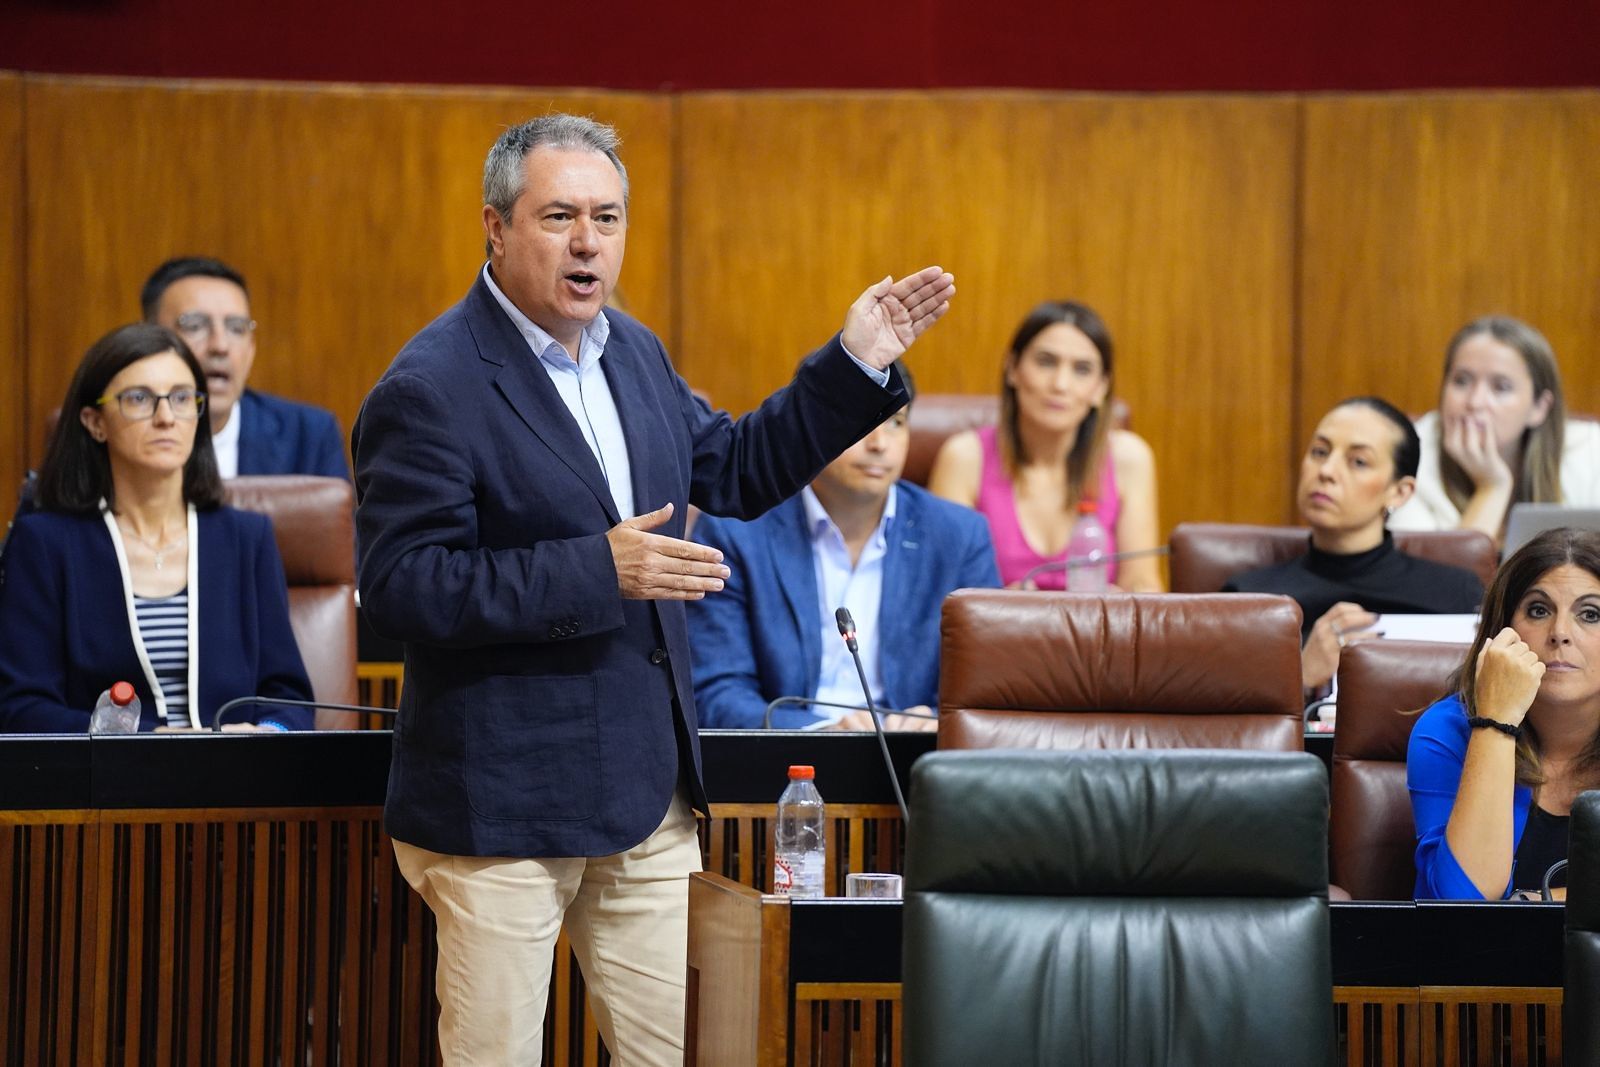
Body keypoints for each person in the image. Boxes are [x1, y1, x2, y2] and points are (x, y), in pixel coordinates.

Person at [351, 113, 953, 1065]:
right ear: (496, 228)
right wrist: (601, 568)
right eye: (559, 216)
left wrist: (856, 364)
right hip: (500, 813)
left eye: (609, 216)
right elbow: (401, 587)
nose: (589, 241)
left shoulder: (630, 352)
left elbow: (740, 468)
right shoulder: (429, 386)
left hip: (644, 802)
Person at [0, 323, 314, 732]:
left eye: (182, 398)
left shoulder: (245, 538)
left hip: (236, 785)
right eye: (139, 399)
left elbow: (288, 697)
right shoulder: (46, 544)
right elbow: (21, 708)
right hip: (106, 788)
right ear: (95, 422)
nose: (166, 417)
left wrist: (266, 734)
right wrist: (142, 742)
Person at [688, 363, 1000, 731]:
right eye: (862, 422)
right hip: (785, 764)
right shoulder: (736, 531)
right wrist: (824, 733)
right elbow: (715, 694)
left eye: (896, 423)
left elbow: (985, 691)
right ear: (813, 427)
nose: (879, 443)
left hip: (917, 763)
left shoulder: (960, 536)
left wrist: (934, 723)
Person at [1225, 397, 1485, 690]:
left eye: (1358, 462)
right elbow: (1228, 724)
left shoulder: (1456, 594)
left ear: (1399, 492)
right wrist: (1301, 677)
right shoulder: (1250, 598)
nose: (1326, 471)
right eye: (1320, 452)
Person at [1409, 527, 1600, 900]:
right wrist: (1495, 722)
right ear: (1503, 630)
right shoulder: (1447, 731)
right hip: (1482, 957)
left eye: (1590, 614)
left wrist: (1536, 901)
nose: (1560, 632)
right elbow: (1465, 902)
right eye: (1539, 610)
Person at [926, 300, 1162, 591]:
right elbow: (944, 588)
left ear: (1101, 387)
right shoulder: (965, 457)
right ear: (1013, 369)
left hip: (1099, 634)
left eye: (1082, 369)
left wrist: (1120, 605)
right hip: (996, 634)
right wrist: (999, 603)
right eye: (1046, 362)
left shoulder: (1129, 458)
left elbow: (1143, 583)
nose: (1061, 384)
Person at [1388, 315, 1600, 540]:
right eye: (1461, 381)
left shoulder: (1589, 452)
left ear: (1538, 407)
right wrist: (1492, 486)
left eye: (1501, 387)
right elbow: (1438, 576)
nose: (1475, 402)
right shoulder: (1410, 452)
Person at [142, 256, 350, 480]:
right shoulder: (117, 435)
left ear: (251, 348)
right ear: (147, 341)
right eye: (194, 326)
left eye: (237, 328)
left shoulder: (308, 435)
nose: (220, 346)